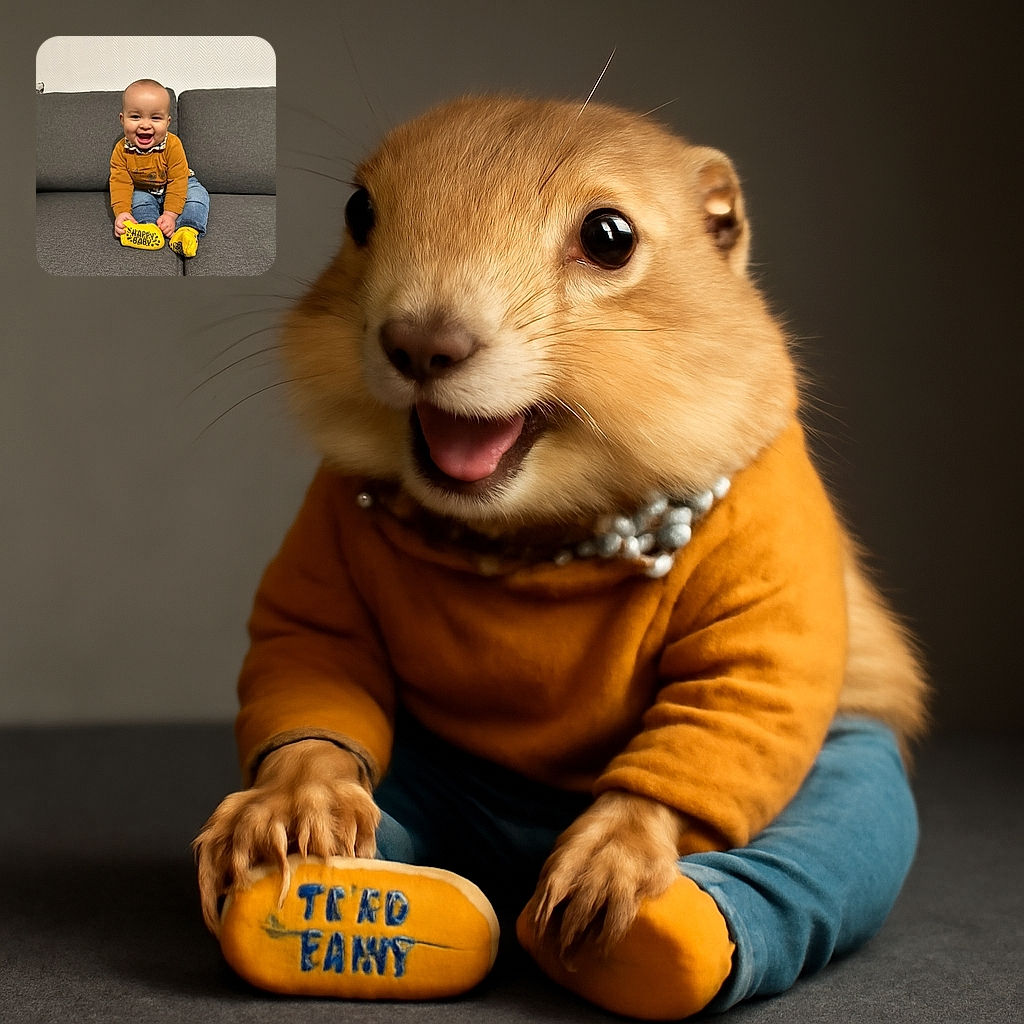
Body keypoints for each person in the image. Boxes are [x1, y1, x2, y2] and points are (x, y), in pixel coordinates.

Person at [109, 78, 209, 257]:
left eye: (155, 118)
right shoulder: (121, 150)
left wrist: (170, 215)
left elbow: (177, 181)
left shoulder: (173, 145)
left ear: (167, 122)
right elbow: (120, 183)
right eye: (135, 116)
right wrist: (122, 213)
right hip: (144, 188)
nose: (145, 125)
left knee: (198, 196)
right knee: (139, 200)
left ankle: (186, 231)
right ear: (122, 120)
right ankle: (147, 228)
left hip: (181, 182)